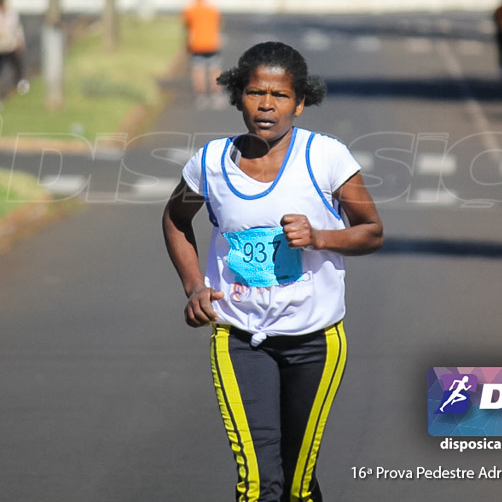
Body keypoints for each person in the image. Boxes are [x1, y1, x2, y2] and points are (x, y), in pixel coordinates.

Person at [162, 41, 384, 501]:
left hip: (315, 339)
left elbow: (371, 231)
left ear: (300, 103)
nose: (266, 105)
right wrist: (194, 287)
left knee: (298, 485)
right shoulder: (210, 164)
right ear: (237, 96)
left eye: (280, 96)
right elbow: (174, 219)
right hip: (240, 336)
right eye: (255, 92)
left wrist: (321, 237)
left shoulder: (326, 158)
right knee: (260, 484)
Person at [182, 0, 223, 108]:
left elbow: (187, 26)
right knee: (214, 69)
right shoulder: (212, 9)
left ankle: (201, 95)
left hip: (196, 43)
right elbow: (219, 23)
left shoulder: (190, 9)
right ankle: (216, 93)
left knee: (198, 69)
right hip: (211, 43)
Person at [0, 0, 28, 102]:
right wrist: (0, 33)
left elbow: (17, 28)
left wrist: (20, 41)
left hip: (11, 45)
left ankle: (19, 86)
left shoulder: (12, 14)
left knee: (17, 67)